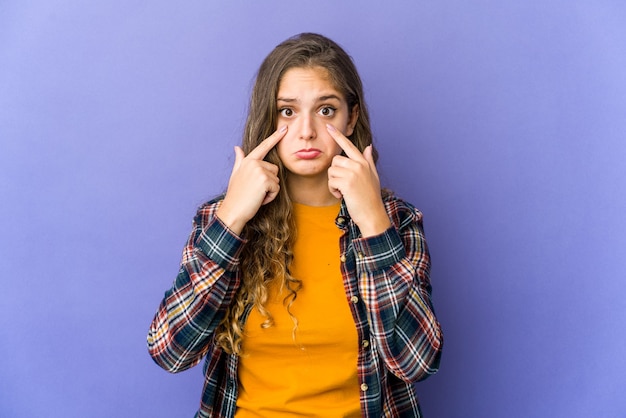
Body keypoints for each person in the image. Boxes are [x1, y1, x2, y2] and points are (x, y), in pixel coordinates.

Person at [147, 32, 443, 418]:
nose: (306, 131)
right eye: (287, 111)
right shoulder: (218, 220)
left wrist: (372, 220)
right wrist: (232, 218)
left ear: (351, 117)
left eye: (325, 110)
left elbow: (417, 362)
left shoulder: (397, 222)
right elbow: (171, 351)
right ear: (268, 117)